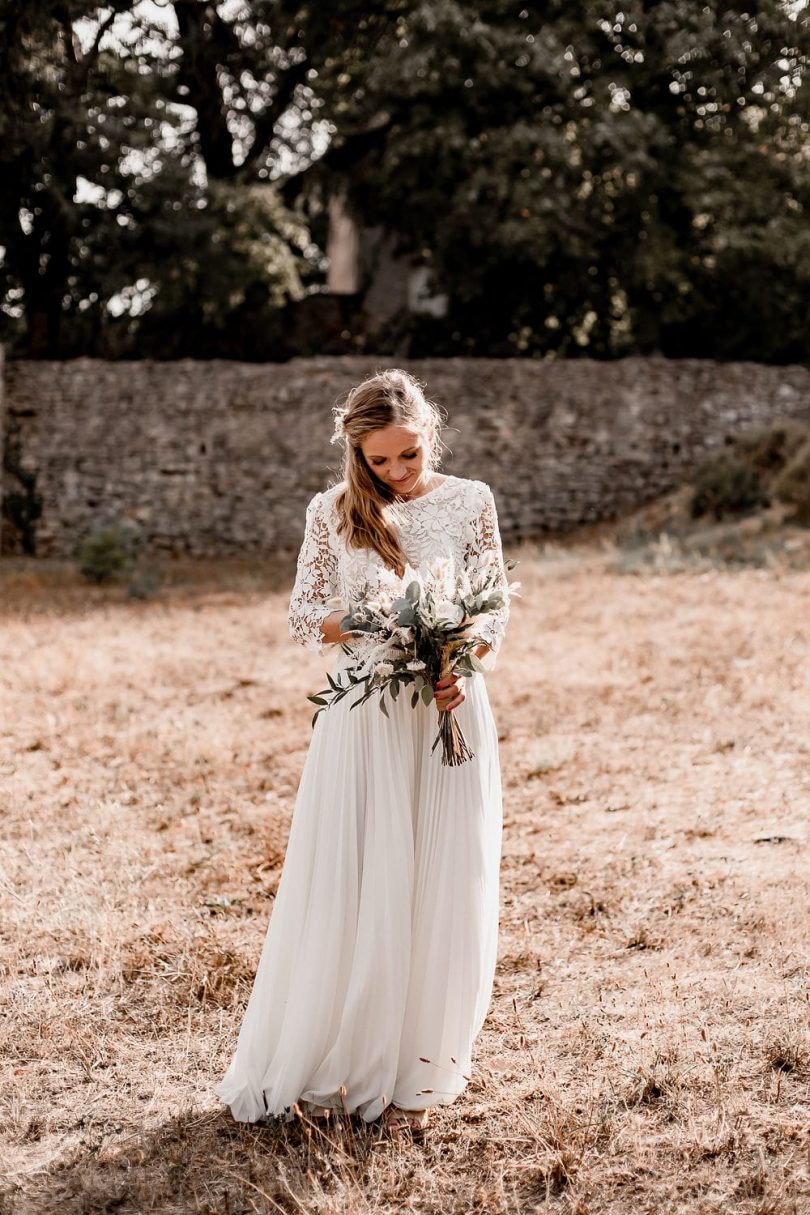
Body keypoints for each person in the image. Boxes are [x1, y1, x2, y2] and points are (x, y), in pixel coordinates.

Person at [215, 368, 511, 1137]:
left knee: (445, 871)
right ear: (357, 453)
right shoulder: (333, 511)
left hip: (448, 701)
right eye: (379, 461)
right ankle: (343, 1046)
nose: (398, 472)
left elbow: (494, 603)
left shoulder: (472, 500)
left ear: (429, 434)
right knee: (360, 874)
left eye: (408, 455)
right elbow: (305, 613)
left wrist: (459, 655)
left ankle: (423, 1056)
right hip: (365, 713)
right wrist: (383, 619)